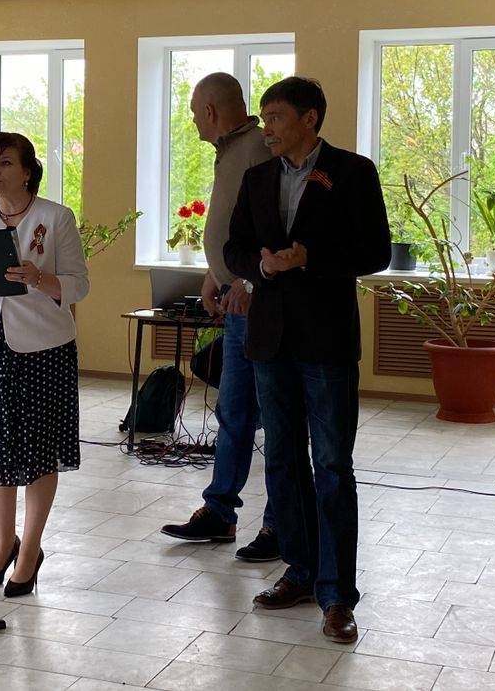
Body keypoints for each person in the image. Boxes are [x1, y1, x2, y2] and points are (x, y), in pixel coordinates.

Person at [224, 76, 391, 644]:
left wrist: (310, 259)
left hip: (326, 342)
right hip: (270, 341)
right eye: (265, 116)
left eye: (275, 116)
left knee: (333, 467)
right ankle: (298, 571)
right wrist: (261, 266)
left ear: (310, 119)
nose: (266, 127)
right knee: (283, 460)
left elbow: (376, 251)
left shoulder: (353, 171)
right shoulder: (257, 177)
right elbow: (234, 247)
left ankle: (337, 595)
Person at [0, 132, 88, 597]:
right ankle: (1, 543)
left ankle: (29, 550)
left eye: (5, 163)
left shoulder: (56, 217)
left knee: (38, 449)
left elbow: (79, 285)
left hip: (43, 348)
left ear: (27, 172)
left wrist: (41, 278)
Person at [160, 72, 280, 562]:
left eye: (194, 112)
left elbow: (272, 227)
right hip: (235, 299)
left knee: (276, 417)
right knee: (232, 412)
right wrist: (214, 273)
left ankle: (279, 524)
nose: (193, 121)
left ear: (210, 111)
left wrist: (248, 283)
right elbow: (234, 226)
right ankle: (219, 512)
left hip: (261, 303)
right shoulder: (230, 151)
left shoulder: (259, 148)